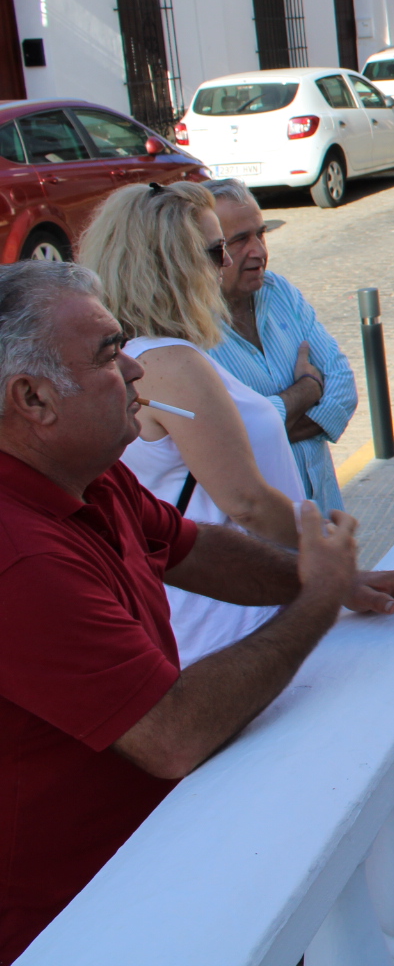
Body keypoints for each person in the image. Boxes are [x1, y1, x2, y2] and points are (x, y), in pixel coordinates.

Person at [0, 260, 394, 962]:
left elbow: (194, 549)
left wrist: (346, 580)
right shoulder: (18, 556)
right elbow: (171, 733)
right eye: (107, 354)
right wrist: (317, 600)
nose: (134, 369)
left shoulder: (87, 476)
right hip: (78, 919)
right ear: (32, 399)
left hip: (154, 866)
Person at [80, 181, 309, 666]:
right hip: (236, 615)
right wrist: (330, 557)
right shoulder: (169, 363)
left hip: (212, 606)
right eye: (214, 250)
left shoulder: (135, 355)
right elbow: (246, 502)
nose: (224, 263)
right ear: (168, 264)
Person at [204, 179, 359, 515]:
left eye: (260, 234)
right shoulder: (189, 331)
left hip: (325, 513)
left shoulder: (279, 292)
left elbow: (343, 386)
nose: (259, 252)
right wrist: (308, 389)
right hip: (264, 529)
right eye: (239, 241)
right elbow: (230, 439)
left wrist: (269, 431)